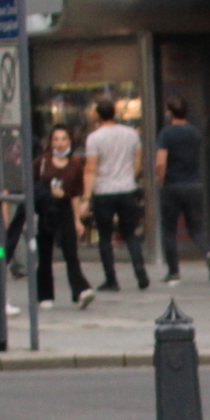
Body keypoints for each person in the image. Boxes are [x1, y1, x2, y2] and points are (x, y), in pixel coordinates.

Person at [84, 98, 147, 292]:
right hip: (127, 188)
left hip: (104, 190)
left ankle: (111, 278)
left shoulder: (94, 138)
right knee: (129, 232)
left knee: (105, 236)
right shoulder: (131, 134)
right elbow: (138, 161)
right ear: (115, 113)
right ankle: (139, 267)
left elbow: (91, 168)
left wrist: (86, 196)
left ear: (97, 115)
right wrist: (131, 176)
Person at [153, 97, 210, 285]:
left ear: (169, 112)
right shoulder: (195, 133)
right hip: (194, 184)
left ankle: (174, 272)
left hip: (173, 185)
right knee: (196, 228)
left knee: (169, 230)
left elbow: (160, 162)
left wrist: (160, 181)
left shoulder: (166, 134)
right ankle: (209, 252)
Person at [34, 122, 95, 309]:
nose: (60, 143)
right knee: (45, 255)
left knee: (71, 253)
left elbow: (76, 195)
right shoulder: (42, 162)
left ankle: (80, 290)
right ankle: (45, 295)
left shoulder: (75, 167)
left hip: (65, 211)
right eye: (56, 139)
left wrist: (78, 220)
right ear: (51, 142)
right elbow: (32, 187)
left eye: (64, 139)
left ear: (70, 141)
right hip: (45, 211)